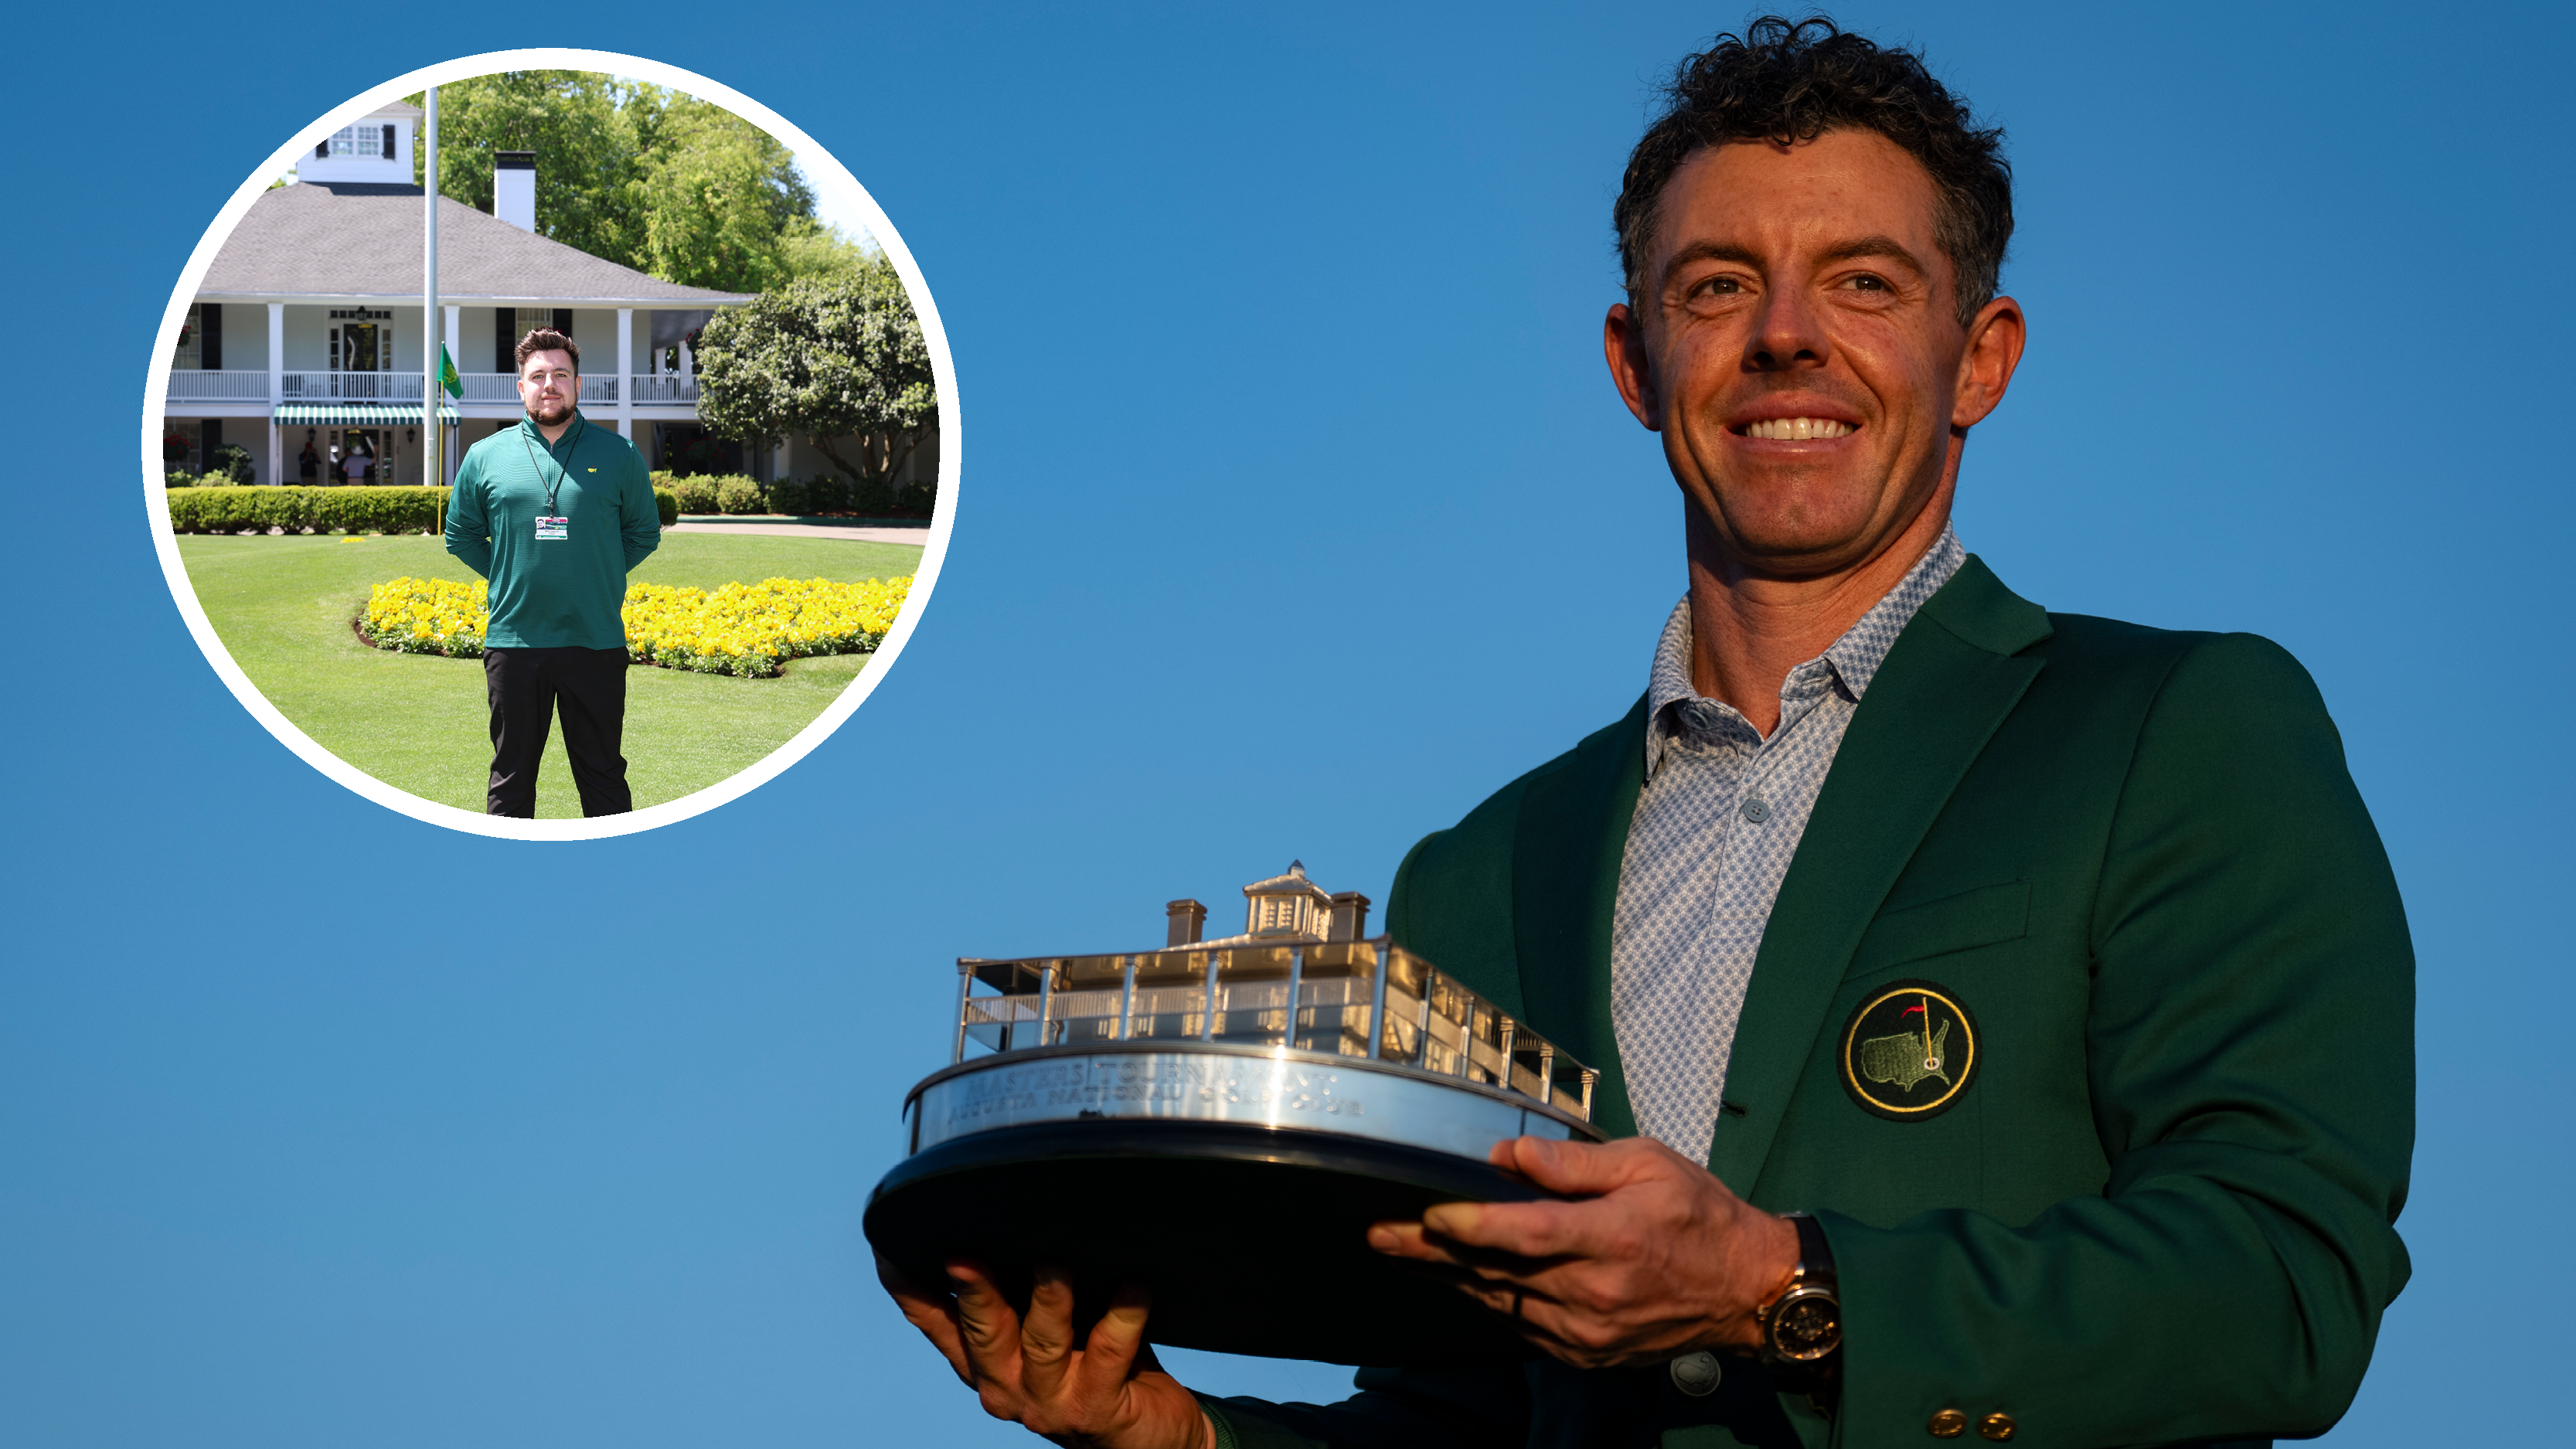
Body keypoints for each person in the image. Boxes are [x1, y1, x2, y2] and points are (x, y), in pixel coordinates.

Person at [880, 16, 2414, 1449]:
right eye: (1717, 285)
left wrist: (1779, 1287)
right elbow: (1462, 1410)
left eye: (1865, 283)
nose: (1786, 339)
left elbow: (2282, 1279)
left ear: (1982, 357)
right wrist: (1186, 1432)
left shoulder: (2168, 726)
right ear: (1635, 363)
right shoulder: (1484, 869)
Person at [442, 328, 661, 818]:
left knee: (603, 775)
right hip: (515, 643)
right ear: (520, 388)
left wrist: (597, 571)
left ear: (578, 385)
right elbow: (460, 536)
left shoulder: (619, 454)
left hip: (595, 641)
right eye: (537, 376)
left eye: (561, 374)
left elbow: (643, 534)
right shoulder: (485, 456)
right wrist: (506, 574)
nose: (550, 384)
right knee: (512, 777)